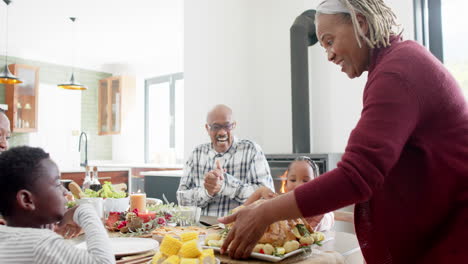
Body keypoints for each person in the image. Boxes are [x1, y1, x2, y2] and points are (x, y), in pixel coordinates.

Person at [219, 0, 468, 263]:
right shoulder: (397, 63)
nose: (329, 54)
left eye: (329, 41)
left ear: (360, 23)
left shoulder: (397, 72)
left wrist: (266, 212)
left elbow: (356, 175)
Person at [0, 146, 115, 264]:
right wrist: (83, 209)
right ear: (26, 199)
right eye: (57, 183)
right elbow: (104, 262)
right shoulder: (41, 244)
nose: (65, 192)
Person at [177, 104, 274, 217]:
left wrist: (225, 186)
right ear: (207, 129)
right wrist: (207, 192)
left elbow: (268, 196)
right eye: (216, 127)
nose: (222, 132)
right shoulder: (197, 153)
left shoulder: (251, 150)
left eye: (227, 126)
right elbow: (182, 199)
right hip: (202, 228)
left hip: (238, 227)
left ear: (234, 126)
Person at [244, 156, 334, 232]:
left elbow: (330, 217)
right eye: (293, 180)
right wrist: (260, 191)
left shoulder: (316, 208)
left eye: (305, 181)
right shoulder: (280, 203)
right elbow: (244, 211)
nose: (298, 185)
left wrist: (320, 218)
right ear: (285, 184)